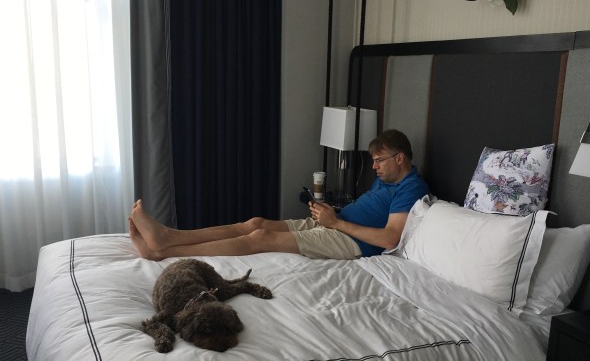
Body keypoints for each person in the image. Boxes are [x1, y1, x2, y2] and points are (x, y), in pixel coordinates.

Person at [129, 129, 429, 261]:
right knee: (255, 223)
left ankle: (163, 252)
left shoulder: (411, 187)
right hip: (335, 224)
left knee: (259, 238)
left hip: (351, 242)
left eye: (379, 161)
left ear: (400, 158)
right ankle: (169, 236)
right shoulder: (386, 180)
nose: (374, 167)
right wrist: (330, 213)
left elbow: (389, 239)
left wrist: (336, 222)